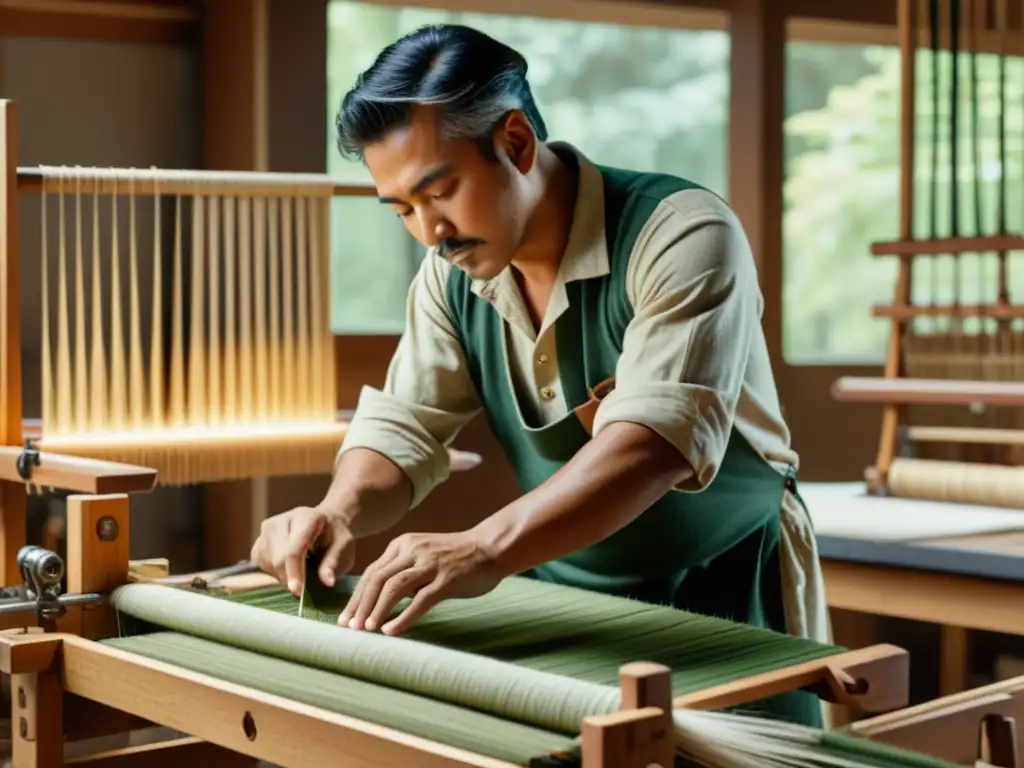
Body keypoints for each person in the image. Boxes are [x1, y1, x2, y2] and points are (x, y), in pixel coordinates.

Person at [251, 24, 830, 726]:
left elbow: (651, 446)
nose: (428, 231)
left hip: (730, 588)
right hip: (568, 596)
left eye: (440, 191)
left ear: (517, 142)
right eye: (403, 209)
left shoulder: (682, 232)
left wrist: (484, 545)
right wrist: (336, 513)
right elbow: (406, 425)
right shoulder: (449, 278)